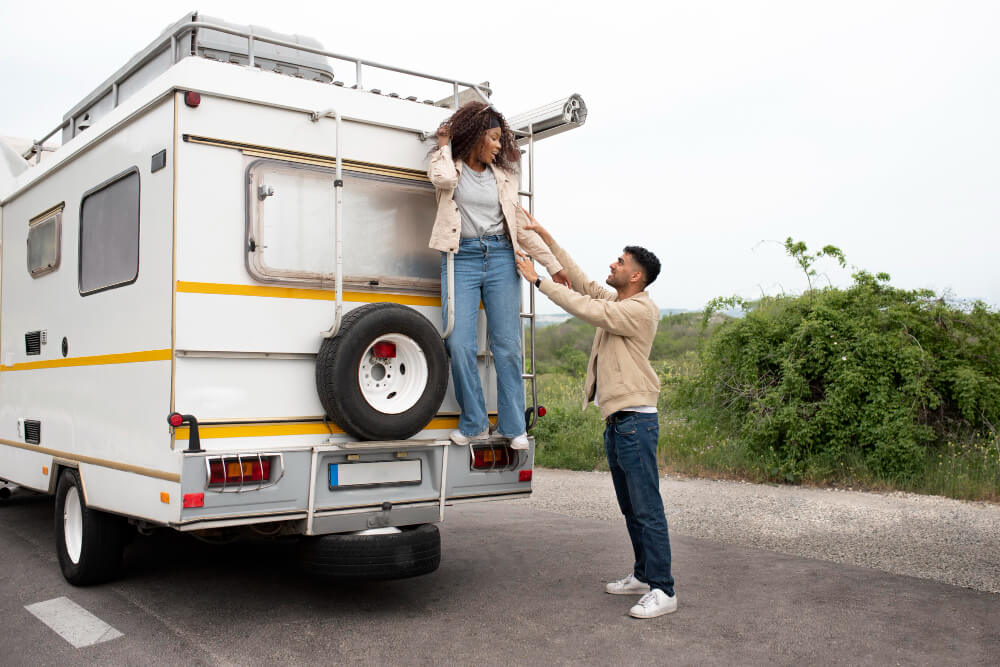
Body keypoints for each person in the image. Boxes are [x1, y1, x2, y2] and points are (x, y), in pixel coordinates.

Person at [512, 209, 676, 619]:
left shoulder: (639, 310)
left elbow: (588, 309)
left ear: (636, 276)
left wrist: (539, 281)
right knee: (629, 506)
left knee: (647, 507)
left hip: (637, 420)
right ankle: (642, 574)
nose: (612, 265)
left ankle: (664, 589)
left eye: (620, 262)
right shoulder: (618, 298)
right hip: (618, 421)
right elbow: (583, 281)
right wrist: (546, 238)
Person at [427, 102, 571, 449]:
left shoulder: (505, 176)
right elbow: (443, 180)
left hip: (502, 257)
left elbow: (519, 226)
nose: (497, 145)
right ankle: (475, 421)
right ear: (476, 136)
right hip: (461, 256)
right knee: (458, 343)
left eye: (499, 139)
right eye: (492, 138)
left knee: (507, 347)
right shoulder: (448, 164)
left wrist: (553, 264)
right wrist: (445, 145)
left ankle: (512, 426)